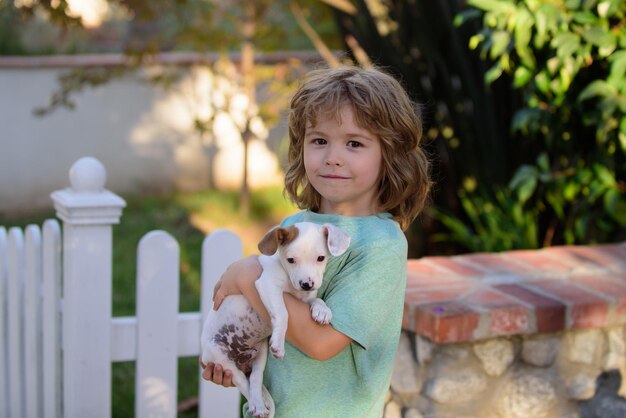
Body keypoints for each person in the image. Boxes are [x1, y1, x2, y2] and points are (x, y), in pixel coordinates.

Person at [201, 64, 431, 418]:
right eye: (319, 140)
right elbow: (266, 321)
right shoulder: (295, 226)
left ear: (390, 154)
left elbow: (322, 343)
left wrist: (250, 275)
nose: (332, 157)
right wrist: (237, 357)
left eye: (354, 143)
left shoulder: (380, 245)